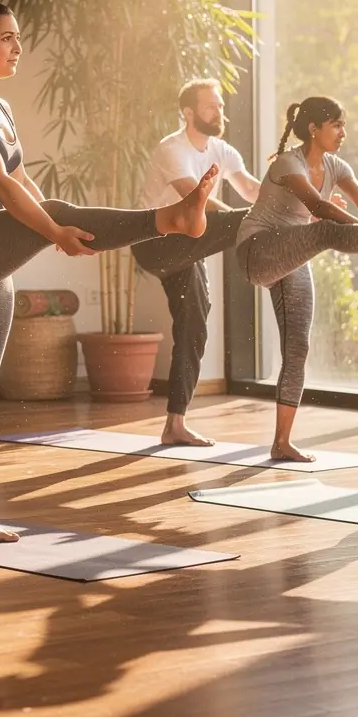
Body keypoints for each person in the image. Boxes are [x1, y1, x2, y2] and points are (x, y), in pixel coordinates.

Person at [0, 0, 218, 543]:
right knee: (55, 213)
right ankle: (169, 219)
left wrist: (54, 223)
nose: (18, 47)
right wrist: (54, 233)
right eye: (6, 38)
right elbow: (3, 190)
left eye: (19, 37)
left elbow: (25, 183)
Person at [234, 96, 358, 462]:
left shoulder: (335, 165)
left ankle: (281, 442)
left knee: (298, 348)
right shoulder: (288, 163)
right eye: (336, 125)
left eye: (343, 124)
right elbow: (319, 208)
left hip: (294, 253)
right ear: (314, 129)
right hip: (258, 249)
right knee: (325, 230)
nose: (343, 132)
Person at [132, 79, 261, 446]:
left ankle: (175, 423)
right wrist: (253, 222)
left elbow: (251, 189)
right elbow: (195, 203)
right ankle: (266, 246)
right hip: (155, 243)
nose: (218, 112)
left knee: (194, 325)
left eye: (220, 106)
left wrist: (291, 198)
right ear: (188, 113)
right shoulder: (171, 149)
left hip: (188, 245)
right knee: (242, 220)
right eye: (210, 107)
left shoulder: (221, 150)